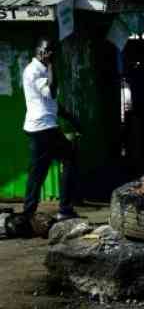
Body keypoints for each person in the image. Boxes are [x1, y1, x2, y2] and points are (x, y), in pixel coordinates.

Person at [22, 38, 81, 221]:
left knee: (38, 171)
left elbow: (52, 102)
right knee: (69, 159)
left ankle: (29, 212)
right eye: (48, 51)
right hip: (44, 127)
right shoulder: (35, 71)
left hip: (42, 127)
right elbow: (52, 91)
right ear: (40, 52)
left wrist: (71, 118)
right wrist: (50, 66)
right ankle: (64, 209)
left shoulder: (39, 69)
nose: (52, 55)